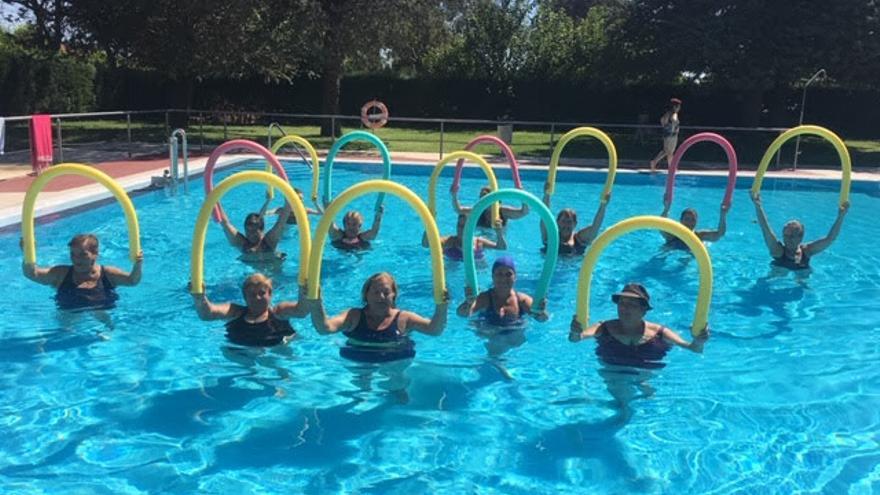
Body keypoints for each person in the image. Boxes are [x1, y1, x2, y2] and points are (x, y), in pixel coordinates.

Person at [310, 272, 449, 362]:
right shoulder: (353, 315)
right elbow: (324, 328)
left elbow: (434, 330)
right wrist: (316, 301)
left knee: (397, 386)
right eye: (375, 292)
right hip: (359, 359)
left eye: (386, 292)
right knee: (361, 390)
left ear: (394, 295)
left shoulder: (404, 318)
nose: (381, 297)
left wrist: (442, 306)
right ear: (366, 295)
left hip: (395, 360)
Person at [568, 283, 708, 369]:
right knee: (622, 399)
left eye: (631, 305)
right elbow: (576, 338)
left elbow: (694, 349)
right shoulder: (603, 327)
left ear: (644, 310)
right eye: (622, 303)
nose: (624, 308)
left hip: (647, 371)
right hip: (613, 370)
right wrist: (575, 331)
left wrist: (699, 340)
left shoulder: (659, 332)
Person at [21, 233, 143, 310]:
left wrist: (138, 264)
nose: (76, 259)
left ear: (95, 254)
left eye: (82, 254)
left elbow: (132, 281)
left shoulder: (108, 273)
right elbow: (32, 273)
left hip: (101, 313)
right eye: (73, 254)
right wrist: (27, 252)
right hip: (69, 314)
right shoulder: (61, 273)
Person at [191, 273, 309, 347]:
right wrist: (199, 297)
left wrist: (304, 293)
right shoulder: (235, 311)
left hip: (278, 350)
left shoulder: (279, 312)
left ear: (270, 294)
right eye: (252, 294)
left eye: (261, 293)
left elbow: (302, 311)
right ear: (244, 297)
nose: (257, 298)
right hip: (242, 352)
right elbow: (206, 314)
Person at [751, 191, 849, 270]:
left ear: (801, 237)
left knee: (805, 277)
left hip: (800, 282)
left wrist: (841, 216)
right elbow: (765, 228)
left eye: (792, 236)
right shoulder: (778, 251)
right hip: (777, 281)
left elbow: (830, 239)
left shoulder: (807, 251)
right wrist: (758, 207)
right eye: (785, 236)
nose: (787, 240)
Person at [457, 255, 548, 325]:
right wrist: (468, 303)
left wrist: (541, 311)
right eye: (499, 274)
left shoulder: (522, 300)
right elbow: (462, 314)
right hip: (489, 335)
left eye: (508, 274)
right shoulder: (485, 298)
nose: (503, 278)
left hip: (515, 339)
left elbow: (542, 319)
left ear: (515, 277)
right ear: (492, 276)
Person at [541, 191, 610, 256]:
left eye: (569, 222)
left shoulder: (580, 239)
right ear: (557, 223)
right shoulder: (550, 236)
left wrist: (603, 205)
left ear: (575, 224)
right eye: (563, 221)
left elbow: (595, 227)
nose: (566, 225)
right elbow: (544, 217)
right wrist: (547, 195)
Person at [219, 200, 291, 261]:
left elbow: (282, 219)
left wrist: (287, 188)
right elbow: (225, 223)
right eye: (248, 231)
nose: (250, 235)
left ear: (262, 230)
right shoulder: (242, 243)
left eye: (254, 231)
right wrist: (213, 196)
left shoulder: (269, 241)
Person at [425, 212, 507, 261]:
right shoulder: (450, 241)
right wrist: (429, 223)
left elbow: (501, 247)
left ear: (472, 227)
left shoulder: (479, 242)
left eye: (464, 226)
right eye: (459, 225)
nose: (461, 229)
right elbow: (426, 244)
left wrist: (499, 233)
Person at [660, 197, 728, 249]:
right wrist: (666, 208)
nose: (689, 222)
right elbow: (661, 225)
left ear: (696, 221)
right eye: (687, 219)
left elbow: (720, 233)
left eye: (693, 219)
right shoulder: (673, 236)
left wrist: (723, 214)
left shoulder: (699, 236)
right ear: (680, 220)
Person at [452, 186, 529, 228]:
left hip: (499, 240)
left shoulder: (503, 211)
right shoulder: (479, 210)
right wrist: (454, 195)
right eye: (481, 198)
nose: (483, 201)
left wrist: (522, 196)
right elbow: (459, 210)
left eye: (485, 197)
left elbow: (524, 212)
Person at [649, 98, 682, 173]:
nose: (679, 108)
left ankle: (654, 162)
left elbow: (662, 121)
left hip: (666, 135)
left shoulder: (667, 113)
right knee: (670, 152)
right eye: (679, 107)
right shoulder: (674, 114)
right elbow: (674, 120)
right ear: (675, 107)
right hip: (672, 136)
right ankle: (671, 168)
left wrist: (666, 126)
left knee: (666, 151)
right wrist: (674, 127)